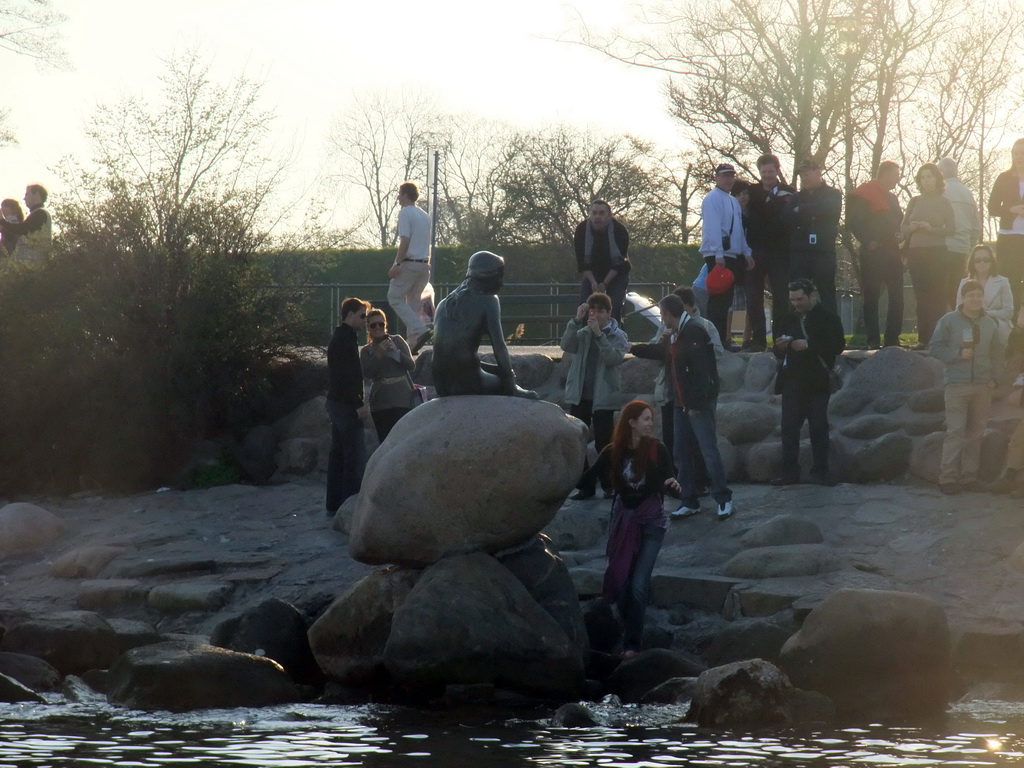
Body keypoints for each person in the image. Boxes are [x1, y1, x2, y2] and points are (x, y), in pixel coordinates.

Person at [580, 400, 681, 657]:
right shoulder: (612, 452)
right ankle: (624, 629)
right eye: (646, 419)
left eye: (651, 419)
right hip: (623, 521)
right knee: (620, 579)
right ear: (631, 422)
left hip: (651, 523)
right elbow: (587, 478)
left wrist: (674, 487)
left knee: (638, 584)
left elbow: (670, 481)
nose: (650, 424)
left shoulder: (658, 449)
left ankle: (632, 645)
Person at [630, 293, 734, 520]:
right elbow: (662, 353)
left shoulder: (693, 331)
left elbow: (703, 371)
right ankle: (689, 500)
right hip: (680, 403)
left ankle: (724, 498)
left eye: (662, 314)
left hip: (697, 403)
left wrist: (696, 403)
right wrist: (634, 348)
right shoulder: (675, 334)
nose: (661, 318)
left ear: (668, 314)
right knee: (681, 452)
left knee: (708, 450)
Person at [929, 280, 1004, 495]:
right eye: (971, 295)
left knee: (976, 432)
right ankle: (948, 477)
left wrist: (996, 378)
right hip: (956, 383)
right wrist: (956, 354)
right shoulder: (949, 320)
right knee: (955, 431)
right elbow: (934, 347)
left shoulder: (990, 323)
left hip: (983, 385)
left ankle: (969, 477)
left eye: (979, 295)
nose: (976, 299)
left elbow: (998, 353)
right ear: (963, 298)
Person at [431, 250, 537, 399]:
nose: (502, 283)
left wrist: (499, 370)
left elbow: (450, 355)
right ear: (489, 276)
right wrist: (511, 385)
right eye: (500, 276)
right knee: (503, 380)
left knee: (499, 372)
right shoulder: (488, 300)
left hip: (442, 383)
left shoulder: (444, 303)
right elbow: (499, 347)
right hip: (469, 382)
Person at [772, 279, 846, 486]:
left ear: (812, 295)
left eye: (800, 299)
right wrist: (779, 346)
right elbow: (777, 350)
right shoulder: (787, 318)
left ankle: (821, 472)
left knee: (818, 427)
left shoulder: (828, 318)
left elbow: (839, 345)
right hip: (792, 380)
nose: (796, 303)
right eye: (793, 299)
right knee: (788, 428)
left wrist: (809, 344)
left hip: (817, 381)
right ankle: (789, 472)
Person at [562, 292, 628, 500]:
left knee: (604, 443)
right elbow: (566, 345)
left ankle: (610, 484)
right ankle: (585, 486)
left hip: (603, 396)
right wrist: (575, 320)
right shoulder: (582, 331)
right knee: (578, 439)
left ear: (609, 313)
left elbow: (613, 358)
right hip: (580, 394)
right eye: (593, 310)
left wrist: (599, 335)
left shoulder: (618, 335)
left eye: (601, 310)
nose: (597, 314)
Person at [847, 161, 904, 349]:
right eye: (896, 174)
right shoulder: (864, 194)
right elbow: (854, 221)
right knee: (871, 295)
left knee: (897, 295)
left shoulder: (892, 198)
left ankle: (892, 338)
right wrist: (867, 241)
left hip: (892, 250)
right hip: (874, 251)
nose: (898, 178)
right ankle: (873, 339)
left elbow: (898, 220)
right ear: (885, 174)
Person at [745, 153, 795, 351]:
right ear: (759, 172)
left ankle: (779, 340)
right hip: (755, 252)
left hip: (779, 253)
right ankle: (758, 340)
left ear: (777, 171)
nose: (767, 175)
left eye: (771, 171)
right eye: (764, 172)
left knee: (781, 297)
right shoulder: (751, 192)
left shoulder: (789, 192)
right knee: (753, 297)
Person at [325, 297, 371, 516]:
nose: (365, 321)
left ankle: (334, 504)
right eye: (362, 316)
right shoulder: (345, 339)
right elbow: (347, 377)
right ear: (350, 314)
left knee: (338, 455)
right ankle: (349, 506)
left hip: (336, 402)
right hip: (345, 405)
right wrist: (358, 404)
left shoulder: (340, 337)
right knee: (354, 457)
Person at [700, 163, 753, 348]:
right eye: (725, 175)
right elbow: (712, 228)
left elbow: (739, 230)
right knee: (718, 300)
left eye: (731, 175)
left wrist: (746, 252)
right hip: (719, 255)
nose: (729, 179)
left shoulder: (731, 200)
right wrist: (718, 255)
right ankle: (715, 341)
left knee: (726, 300)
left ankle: (721, 339)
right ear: (716, 177)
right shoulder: (712, 198)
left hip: (731, 254)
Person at [903, 163, 956, 346]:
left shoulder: (944, 202)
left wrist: (931, 228)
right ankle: (923, 339)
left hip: (937, 252)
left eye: (930, 176)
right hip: (916, 253)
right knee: (921, 297)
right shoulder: (914, 201)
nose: (926, 180)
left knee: (937, 296)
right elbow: (903, 227)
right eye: (923, 177)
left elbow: (951, 229)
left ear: (937, 179)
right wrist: (911, 228)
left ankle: (939, 338)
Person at [781, 159, 843, 314]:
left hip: (823, 252)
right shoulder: (796, 196)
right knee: (796, 293)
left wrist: (801, 210)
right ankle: (796, 334)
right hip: (800, 253)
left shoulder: (833, 193)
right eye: (802, 176)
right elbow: (785, 216)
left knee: (826, 293)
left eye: (807, 174)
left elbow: (829, 208)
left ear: (818, 172)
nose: (804, 179)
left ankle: (831, 334)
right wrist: (812, 212)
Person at [387, 182, 432, 354]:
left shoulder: (405, 212)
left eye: (399, 193)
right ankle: (412, 344)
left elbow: (405, 240)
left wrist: (396, 264)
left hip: (410, 264)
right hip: (424, 265)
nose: (398, 196)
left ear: (405, 194)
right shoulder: (425, 215)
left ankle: (419, 330)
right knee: (412, 305)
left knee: (394, 297)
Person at [359, 308, 416, 444]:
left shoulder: (397, 340)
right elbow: (367, 374)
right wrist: (378, 355)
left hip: (401, 400)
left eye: (381, 324)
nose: (378, 328)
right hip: (380, 403)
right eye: (373, 325)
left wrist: (396, 353)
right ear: (368, 327)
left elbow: (411, 365)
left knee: (403, 440)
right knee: (385, 441)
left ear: (386, 325)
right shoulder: (366, 351)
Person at [574, 200, 631, 321]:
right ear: (590, 214)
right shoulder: (581, 230)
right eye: (594, 213)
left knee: (613, 307)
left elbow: (619, 264)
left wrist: (604, 284)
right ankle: (586, 336)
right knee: (584, 307)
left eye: (601, 213)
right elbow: (582, 264)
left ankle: (614, 336)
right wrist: (593, 282)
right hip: (592, 274)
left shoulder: (620, 231)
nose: (597, 217)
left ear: (609, 215)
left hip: (616, 274)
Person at [938, 157, 983, 309]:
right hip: (962, 249)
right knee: (957, 291)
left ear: (941, 172)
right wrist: (968, 245)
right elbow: (976, 226)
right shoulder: (967, 193)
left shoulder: (940, 192)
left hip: (943, 247)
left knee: (940, 290)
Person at [987, 138, 1024, 306]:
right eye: (1016, 153)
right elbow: (992, 207)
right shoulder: (1004, 178)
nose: (1019, 157)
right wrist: (1011, 210)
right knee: (1009, 280)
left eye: (1022, 153)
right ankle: (1011, 323)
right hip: (1008, 238)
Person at [956, 245, 1013, 346]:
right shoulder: (964, 283)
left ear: (992, 261)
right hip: (970, 324)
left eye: (986, 260)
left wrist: (986, 314)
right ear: (972, 263)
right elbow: (959, 309)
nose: (982, 263)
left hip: (997, 326)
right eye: (978, 260)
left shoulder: (1003, 282)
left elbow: (1008, 312)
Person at [0, 184, 51, 264]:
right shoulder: (36, 213)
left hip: (34, 264)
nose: (24, 198)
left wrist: (3, 221)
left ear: (37, 194)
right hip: (28, 265)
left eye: (27, 194)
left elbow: (23, 229)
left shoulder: (40, 213)